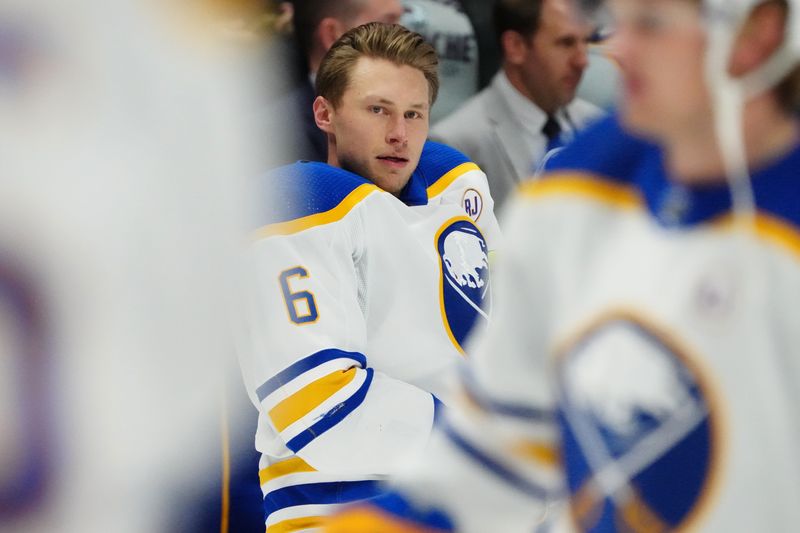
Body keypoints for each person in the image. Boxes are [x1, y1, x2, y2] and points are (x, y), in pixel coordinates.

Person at [325, 0, 800, 531]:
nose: (615, 50)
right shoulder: (575, 188)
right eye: (619, 23)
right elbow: (496, 454)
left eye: (652, 25)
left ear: (758, 33)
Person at [239, 22, 500, 533]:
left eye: (414, 114)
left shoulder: (459, 194)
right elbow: (322, 411)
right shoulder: (299, 204)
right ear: (325, 113)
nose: (399, 134)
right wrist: (495, 446)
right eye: (378, 110)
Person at [431, 0, 604, 212]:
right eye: (566, 43)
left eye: (585, 42)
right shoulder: (455, 143)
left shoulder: (597, 124)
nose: (582, 61)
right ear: (515, 47)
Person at [267, 0, 405, 165]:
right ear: (333, 35)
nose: (405, 38)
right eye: (388, 24)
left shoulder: (408, 117)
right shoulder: (270, 145)